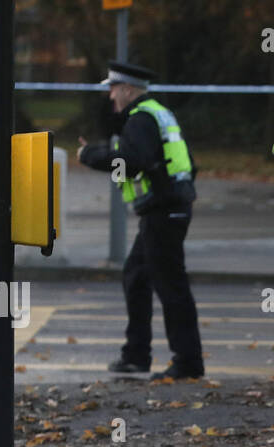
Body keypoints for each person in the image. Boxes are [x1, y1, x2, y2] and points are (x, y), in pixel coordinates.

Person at [78, 61, 204, 381]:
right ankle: (136, 355)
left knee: (170, 286)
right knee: (136, 277)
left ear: (127, 90)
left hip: (164, 211)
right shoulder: (156, 114)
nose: (110, 97)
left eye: (113, 89)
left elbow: (132, 163)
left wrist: (91, 156)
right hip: (165, 210)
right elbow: (185, 160)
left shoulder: (141, 119)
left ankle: (187, 362)